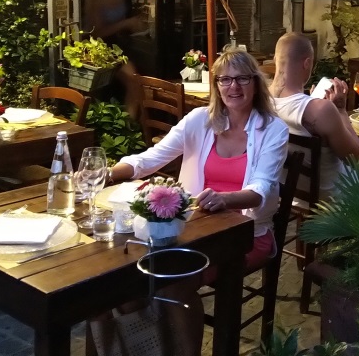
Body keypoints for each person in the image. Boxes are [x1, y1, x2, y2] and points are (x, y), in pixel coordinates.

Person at [108, 48, 288, 355]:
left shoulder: (273, 129)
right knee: (127, 274)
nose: (234, 86)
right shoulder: (199, 120)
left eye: (242, 79)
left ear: (256, 83)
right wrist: (108, 173)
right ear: (216, 85)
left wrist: (224, 199)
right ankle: (152, 347)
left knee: (174, 280)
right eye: (225, 79)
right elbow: (152, 158)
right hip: (193, 227)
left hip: (247, 234)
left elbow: (261, 188)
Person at [270, 32, 359, 196]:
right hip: (333, 196)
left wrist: (312, 100)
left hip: (287, 194)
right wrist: (341, 110)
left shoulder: (261, 100)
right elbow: (354, 158)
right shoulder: (321, 110)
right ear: (307, 63)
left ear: (275, 59)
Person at [83, 0, 146, 117]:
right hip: (101, 48)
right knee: (133, 80)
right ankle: (126, 123)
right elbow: (96, 33)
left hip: (121, 44)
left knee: (136, 81)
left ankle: (131, 121)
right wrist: (125, 24)